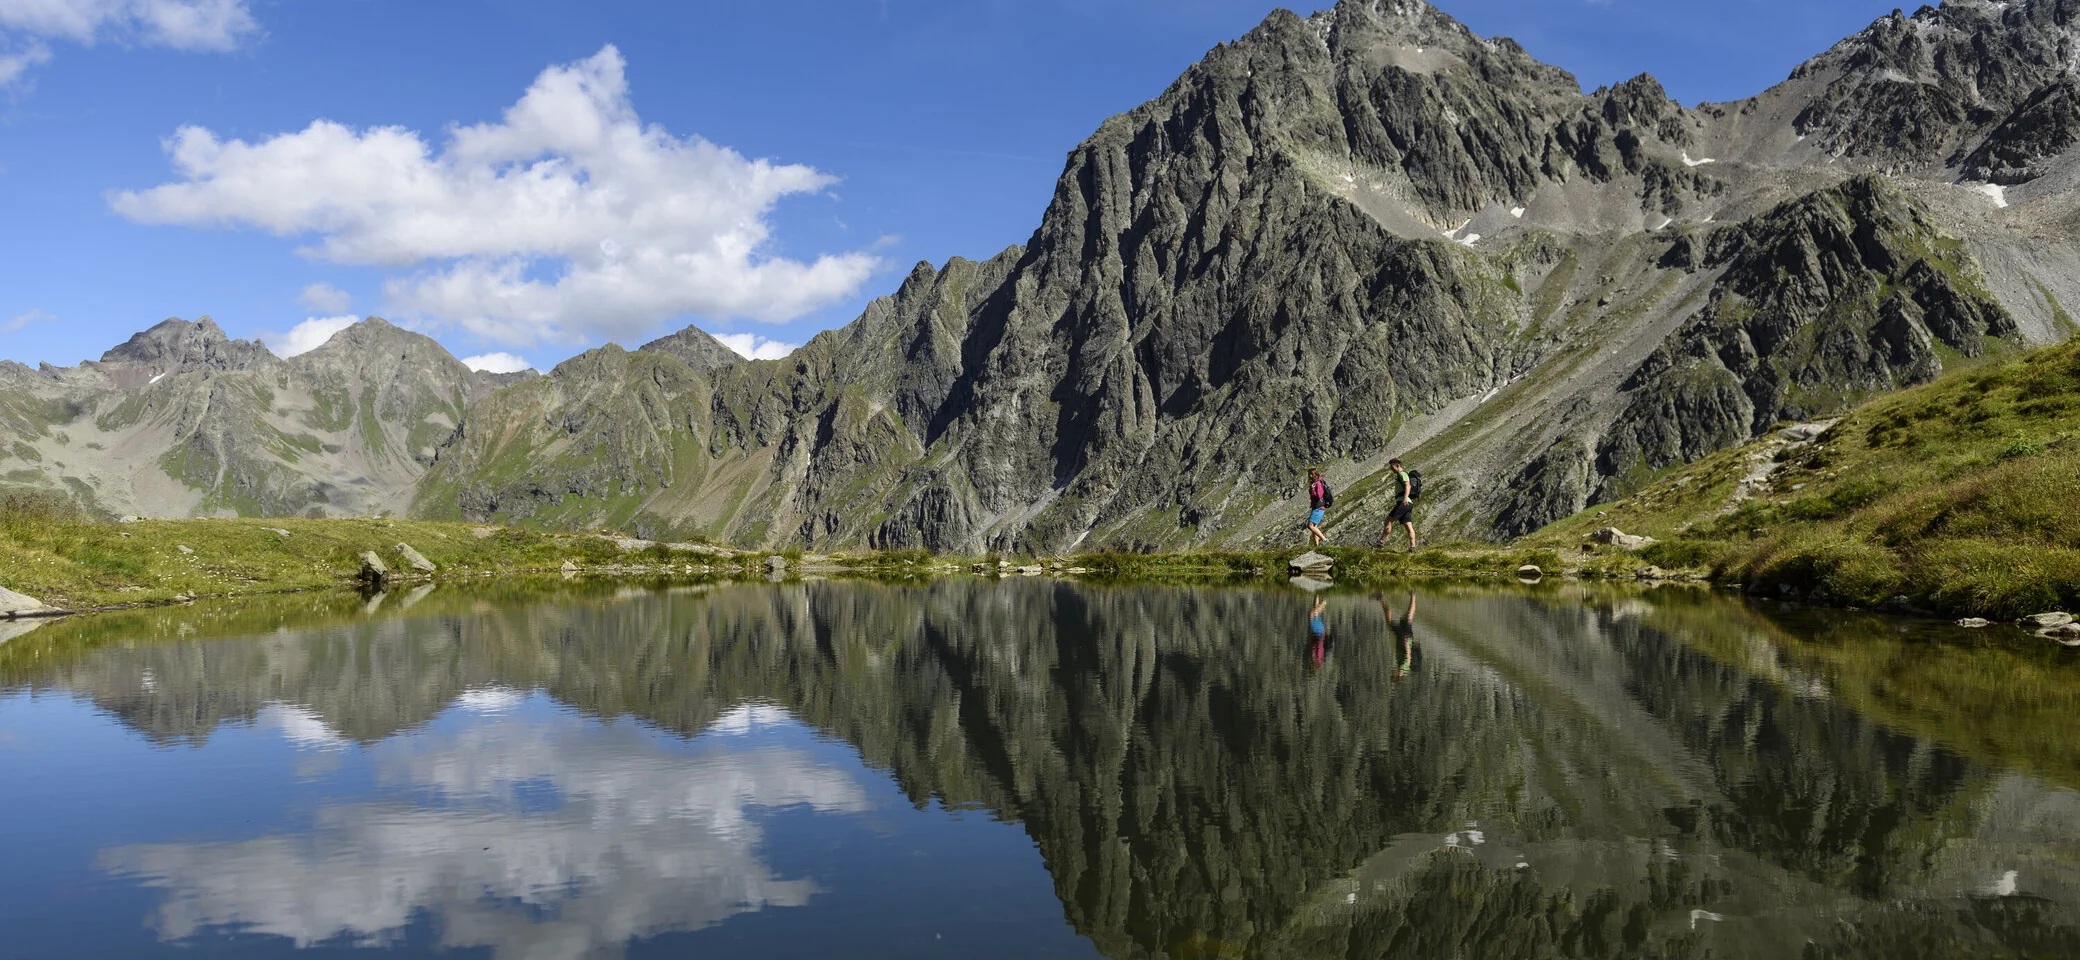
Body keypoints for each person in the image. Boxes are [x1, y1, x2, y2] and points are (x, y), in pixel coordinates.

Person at [1378, 458, 1417, 552]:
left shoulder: (1402, 474)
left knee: (1389, 520)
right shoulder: (1402, 474)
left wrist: (1404, 498)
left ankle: (1380, 542)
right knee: (1408, 526)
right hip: (1408, 503)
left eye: (1392, 467)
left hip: (1404, 502)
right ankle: (1413, 547)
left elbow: (1408, 486)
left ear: (1398, 466)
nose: (1391, 469)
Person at [1383, 592, 1420, 682]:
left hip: (1405, 638)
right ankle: (1381, 599)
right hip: (1404, 638)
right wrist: (1406, 643)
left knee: (1407, 618)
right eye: (1393, 674)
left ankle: (1413, 595)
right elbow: (1408, 656)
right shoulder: (1403, 667)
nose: (1393, 672)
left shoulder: (1403, 668)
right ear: (1398, 675)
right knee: (1393, 622)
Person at [1306, 467, 1333, 547]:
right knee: (1314, 527)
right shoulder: (1315, 483)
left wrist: (1313, 489)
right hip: (1317, 507)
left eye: (1311, 474)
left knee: (1310, 526)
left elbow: (1319, 496)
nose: (1309, 476)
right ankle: (1316, 546)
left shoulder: (1318, 483)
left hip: (1319, 507)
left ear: (1314, 474)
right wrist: (1311, 489)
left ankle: (1325, 540)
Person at [1308, 595, 1332, 670]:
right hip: (1318, 631)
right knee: (1312, 613)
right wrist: (1313, 653)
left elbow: (1314, 644)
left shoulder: (1317, 658)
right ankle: (1324, 602)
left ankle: (1317, 594)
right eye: (1312, 665)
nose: (1310, 663)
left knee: (1315, 612)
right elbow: (1319, 645)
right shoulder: (1318, 657)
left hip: (1318, 631)